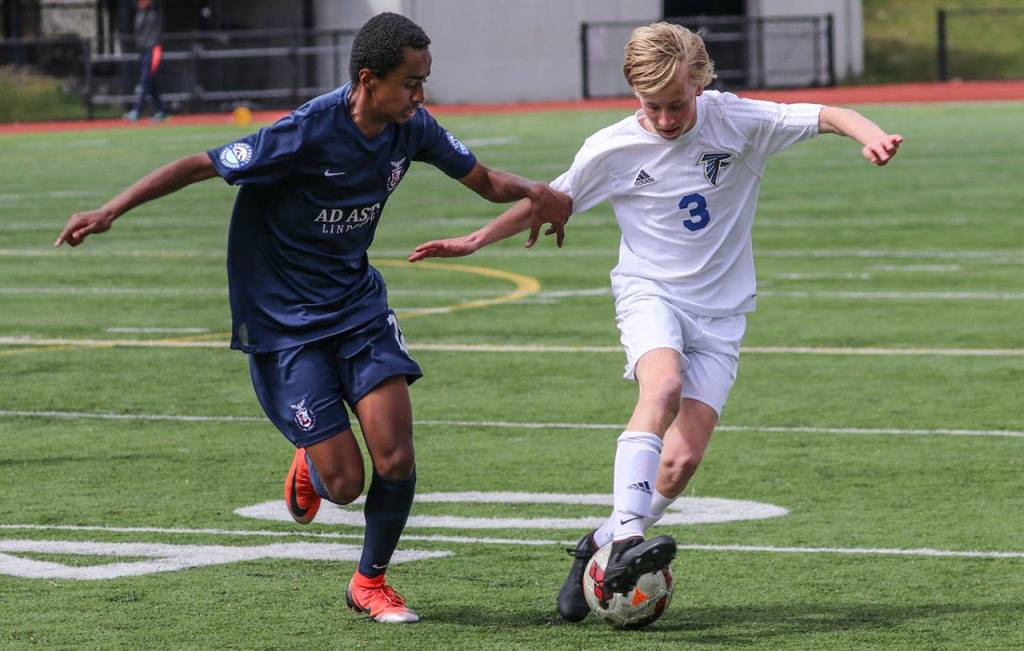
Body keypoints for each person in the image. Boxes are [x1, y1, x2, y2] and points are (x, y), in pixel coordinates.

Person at [55, 12, 570, 624]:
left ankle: (369, 582)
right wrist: (111, 209)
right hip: (285, 325)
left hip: (358, 309)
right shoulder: (302, 133)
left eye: (424, 81)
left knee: (397, 457)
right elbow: (201, 163)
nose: (421, 95)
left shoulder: (412, 128)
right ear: (367, 79)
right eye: (411, 82)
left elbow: (484, 180)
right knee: (346, 483)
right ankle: (314, 460)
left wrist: (536, 191)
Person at [408, 21, 903, 621]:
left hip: (721, 313)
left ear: (700, 82)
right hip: (650, 295)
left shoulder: (736, 120)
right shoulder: (611, 148)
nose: (666, 119)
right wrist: (475, 239)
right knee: (662, 387)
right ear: (632, 94)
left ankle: (596, 545)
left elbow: (824, 113)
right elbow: (553, 200)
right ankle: (625, 543)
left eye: (677, 104)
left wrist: (869, 133)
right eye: (652, 107)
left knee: (682, 461)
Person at [124, 0, 166, 122]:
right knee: (151, 82)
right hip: (143, 50)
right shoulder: (140, 12)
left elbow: (155, 37)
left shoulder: (153, 14)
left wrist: (155, 51)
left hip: (152, 50)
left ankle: (137, 110)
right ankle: (160, 110)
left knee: (145, 80)